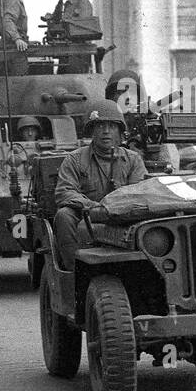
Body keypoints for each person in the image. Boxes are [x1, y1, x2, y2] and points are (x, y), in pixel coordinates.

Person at [53, 100, 147, 271]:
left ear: (119, 132)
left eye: (111, 126)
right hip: (87, 214)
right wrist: (93, 207)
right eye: (100, 126)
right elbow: (64, 192)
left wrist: (115, 208)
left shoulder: (133, 160)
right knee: (64, 216)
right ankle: (74, 271)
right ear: (92, 131)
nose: (106, 131)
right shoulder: (75, 159)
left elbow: (138, 193)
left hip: (123, 215)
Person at [0, 0, 34, 77]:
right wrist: (17, 39)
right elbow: (7, 20)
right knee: (19, 83)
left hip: (14, 46)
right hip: (13, 49)